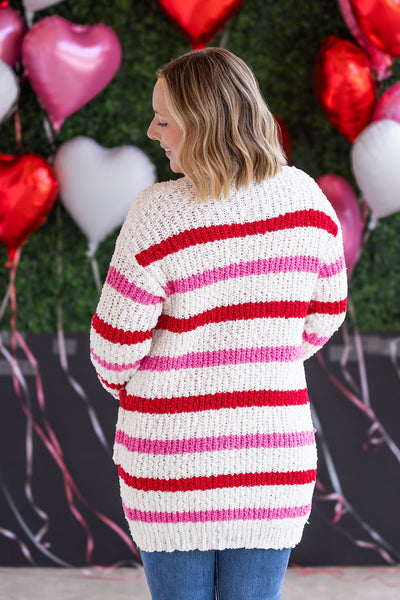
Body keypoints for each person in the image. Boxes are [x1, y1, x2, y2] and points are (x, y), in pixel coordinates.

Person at [90, 48, 347, 600]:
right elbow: (325, 315)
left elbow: (113, 350)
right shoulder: (307, 199)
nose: (152, 131)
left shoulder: (157, 213)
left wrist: (159, 389)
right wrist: (260, 360)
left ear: (202, 123)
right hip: (273, 458)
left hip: (171, 459)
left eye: (164, 120)